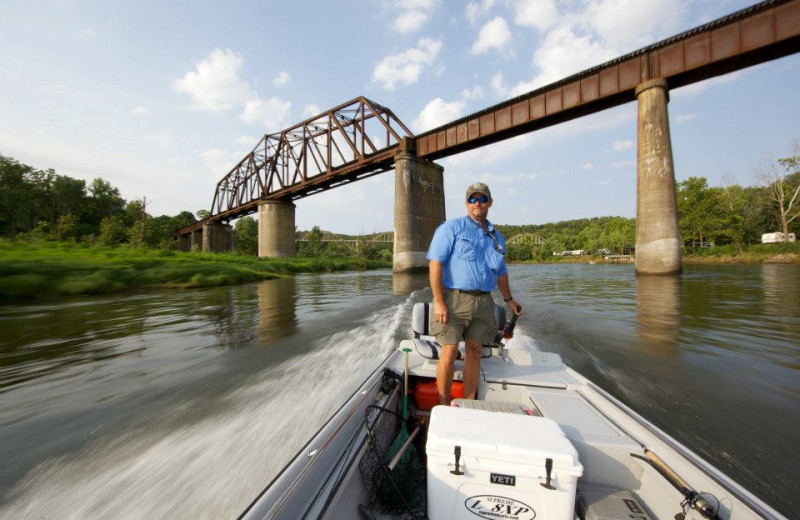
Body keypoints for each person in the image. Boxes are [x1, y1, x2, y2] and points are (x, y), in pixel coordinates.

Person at [426, 182, 521, 405]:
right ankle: (442, 405)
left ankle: (468, 404)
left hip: (484, 302)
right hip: (453, 299)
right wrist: (439, 301)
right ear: (466, 203)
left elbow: (501, 272)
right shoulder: (451, 229)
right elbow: (435, 264)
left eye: (482, 199)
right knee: (449, 351)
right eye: (472, 199)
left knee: (475, 350)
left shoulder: (497, 237)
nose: (477, 203)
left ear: (489, 202)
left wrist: (509, 300)